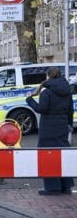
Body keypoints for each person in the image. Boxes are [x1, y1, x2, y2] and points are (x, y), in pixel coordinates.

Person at [26, 67, 75, 195]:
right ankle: (66, 186)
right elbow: (71, 110)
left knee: (48, 156)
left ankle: (52, 187)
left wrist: (29, 100)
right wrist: (68, 125)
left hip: (48, 129)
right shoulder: (67, 91)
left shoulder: (46, 92)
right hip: (62, 127)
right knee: (63, 156)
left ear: (49, 76)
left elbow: (42, 108)